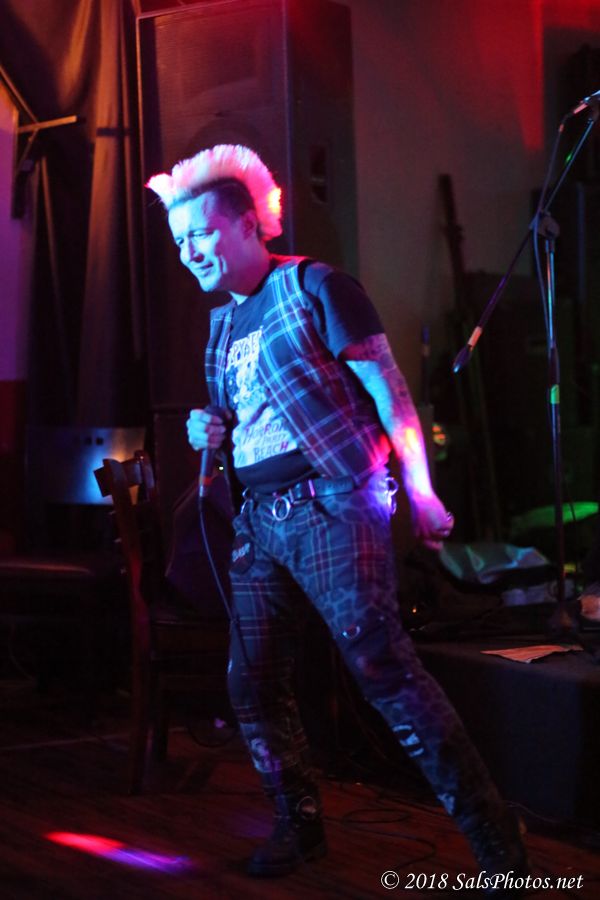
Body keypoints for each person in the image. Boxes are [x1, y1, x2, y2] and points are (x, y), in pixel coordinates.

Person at [147, 145, 528, 888]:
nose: (189, 252)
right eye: (179, 240)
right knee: (251, 682)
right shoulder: (223, 325)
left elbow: (390, 392)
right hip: (259, 520)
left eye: (201, 234)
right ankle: (299, 825)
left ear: (250, 225)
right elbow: (242, 415)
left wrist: (421, 490)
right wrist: (209, 428)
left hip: (332, 505)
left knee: (383, 668)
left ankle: (497, 841)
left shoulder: (316, 286)